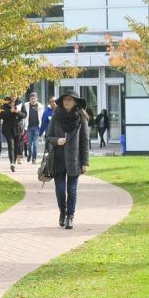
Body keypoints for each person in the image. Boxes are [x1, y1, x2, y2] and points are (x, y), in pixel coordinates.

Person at [46, 90, 90, 230]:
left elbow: (84, 141)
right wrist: (56, 140)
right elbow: (48, 137)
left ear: (75, 102)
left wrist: (85, 162)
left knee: (71, 190)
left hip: (74, 160)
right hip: (58, 159)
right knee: (60, 190)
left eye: (70, 100)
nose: (67, 102)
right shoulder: (56, 116)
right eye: (65, 99)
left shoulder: (81, 118)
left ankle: (70, 217)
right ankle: (63, 213)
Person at [0, 95, 26, 172]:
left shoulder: (20, 103)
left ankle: (14, 161)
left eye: (15, 94)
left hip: (18, 128)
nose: (13, 96)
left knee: (16, 146)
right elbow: (1, 115)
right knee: (11, 145)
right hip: (8, 128)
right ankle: (12, 162)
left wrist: (18, 112)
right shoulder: (4, 103)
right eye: (12, 94)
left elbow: (24, 115)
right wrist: (9, 111)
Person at [24, 92, 44, 164]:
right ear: (30, 99)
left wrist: (42, 129)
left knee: (35, 145)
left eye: (34, 98)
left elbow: (42, 118)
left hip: (37, 127)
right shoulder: (26, 105)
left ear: (37, 98)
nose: (33, 100)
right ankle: (29, 155)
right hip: (29, 127)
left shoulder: (40, 106)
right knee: (29, 145)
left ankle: (34, 159)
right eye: (32, 98)